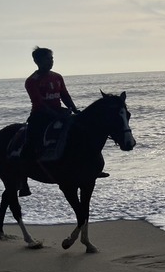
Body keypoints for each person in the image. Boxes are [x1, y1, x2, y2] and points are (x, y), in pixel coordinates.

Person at [19, 47, 107, 196]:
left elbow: (65, 95)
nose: (51, 62)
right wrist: (55, 115)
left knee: (81, 134)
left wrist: (74, 109)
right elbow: (39, 103)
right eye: (48, 59)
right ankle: (23, 180)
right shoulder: (32, 81)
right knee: (29, 142)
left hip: (60, 113)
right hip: (40, 116)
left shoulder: (57, 77)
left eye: (52, 59)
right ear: (37, 61)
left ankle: (91, 168)